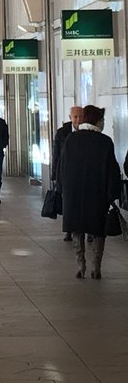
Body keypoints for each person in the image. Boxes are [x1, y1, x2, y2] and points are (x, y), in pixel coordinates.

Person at [58, 104, 121, 279]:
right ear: (97, 121)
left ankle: (81, 265)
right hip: (97, 194)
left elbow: (62, 166)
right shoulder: (105, 141)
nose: (103, 123)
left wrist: (62, 189)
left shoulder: (72, 139)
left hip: (74, 193)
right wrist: (113, 194)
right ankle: (96, 267)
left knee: (77, 229)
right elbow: (112, 170)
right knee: (98, 230)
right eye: (102, 120)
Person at [52, 105, 83, 241]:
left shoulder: (87, 131)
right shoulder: (62, 133)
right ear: (70, 118)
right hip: (66, 173)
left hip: (83, 173)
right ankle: (69, 230)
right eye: (75, 117)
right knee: (68, 203)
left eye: (81, 116)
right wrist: (54, 174)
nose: (78, 120)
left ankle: (87, 231)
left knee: (84, 202)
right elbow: (56, 155)